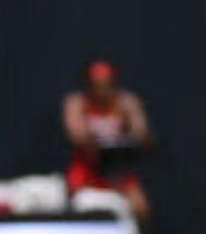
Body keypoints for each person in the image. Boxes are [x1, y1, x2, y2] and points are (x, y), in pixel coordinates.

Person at [63, 60, 152, 222]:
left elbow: (142, 134)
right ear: (89, 86)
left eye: (106, 85)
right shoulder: (78, 102)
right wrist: (99, 140)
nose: (102, 91)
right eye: (97, 85)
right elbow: (77, 135)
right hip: (88, 168)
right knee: (75, 203)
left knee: (141, 207)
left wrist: (131, 131)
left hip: (118, 168)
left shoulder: (125, 102)